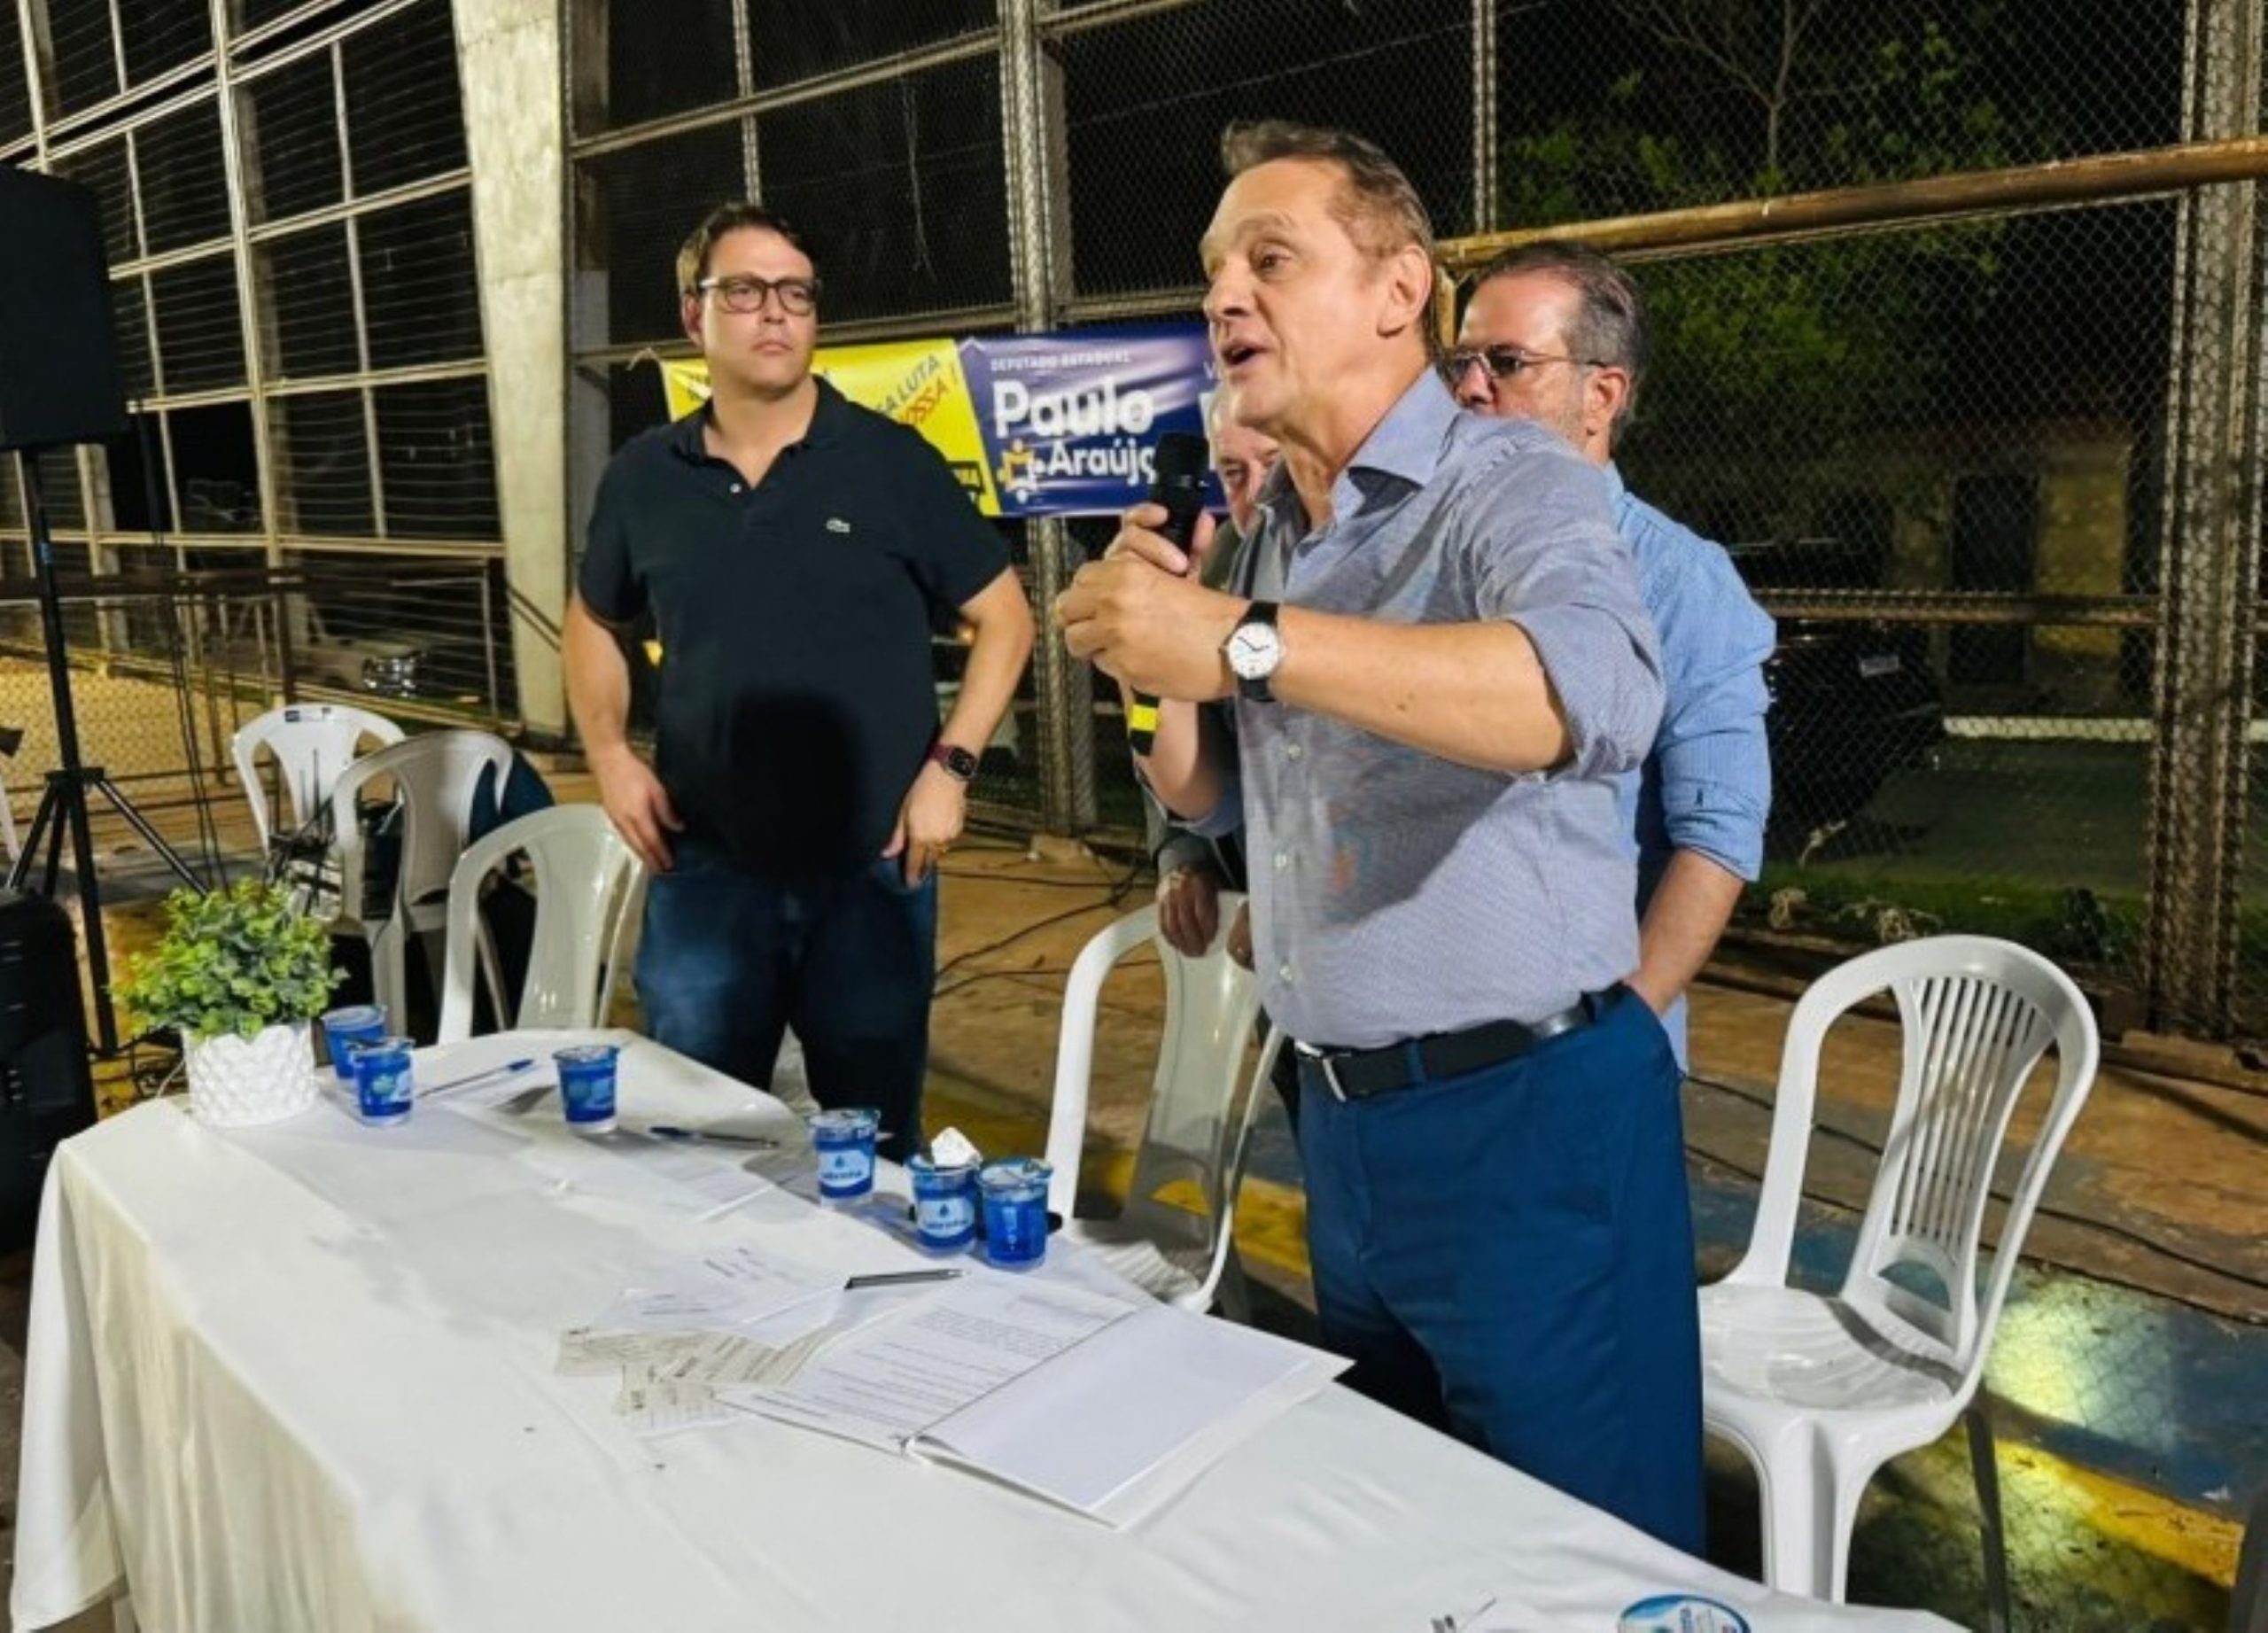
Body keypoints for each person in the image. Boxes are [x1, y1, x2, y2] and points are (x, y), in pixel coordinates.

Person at [1056, 121, 1702, 1551]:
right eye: (1215, 269)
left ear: (1400, 289)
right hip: (1339, 1120)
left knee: (1588, 1555)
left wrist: (1241, 636)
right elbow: (1217, 803)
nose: (1224, 295)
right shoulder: (1279, 531)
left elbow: (1592, 695)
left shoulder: (1508, 481)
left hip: (1525, 1118)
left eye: (1271, 259)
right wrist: (1159, 659)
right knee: (1407, 1535)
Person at [566, 202, 1034, 1162]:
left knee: (875, 1154)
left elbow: (1007, 618)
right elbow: (595, 616)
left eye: (796, 293)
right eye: (744, 291)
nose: (775, 311)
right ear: (694, 316)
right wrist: (609, 755)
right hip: (705, 872)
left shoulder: (890, 463)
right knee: (695, 1143)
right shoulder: (644, 477)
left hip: (871, 870)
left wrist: (950, 767)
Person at [1451, 241, 1775, 1068]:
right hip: (1429, 1047)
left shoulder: (1680, 581)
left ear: (1601, 394)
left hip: (1579, 1049)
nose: (1470, 387)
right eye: (1461, 363)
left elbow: (1718, 835)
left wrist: (1622, 1033)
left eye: (1507, 363)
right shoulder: (1437, 557)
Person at [1150, 388, 1279, 960]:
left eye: (1275, 466)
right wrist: (1183, 852)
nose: (1259, 496)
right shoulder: (1217, 565)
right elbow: (1167, 734)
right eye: (1234, 474)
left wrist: (1290, 896)